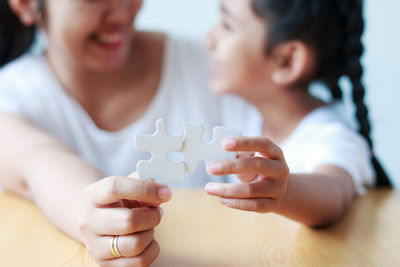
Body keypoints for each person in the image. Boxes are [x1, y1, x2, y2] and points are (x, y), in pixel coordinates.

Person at [0, 0, 264, 266]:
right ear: (25, 4)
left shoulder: (219, 69)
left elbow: (301, 143)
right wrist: (96, 216)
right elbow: (37, 160)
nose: (122, 11)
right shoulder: (11, 98)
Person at [204, 0, 391, 227]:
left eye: (227, 25)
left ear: (287, 61)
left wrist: (282, 190)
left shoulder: (332, 136)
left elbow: (335, 190)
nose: (208, 39)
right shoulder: (245, 115)